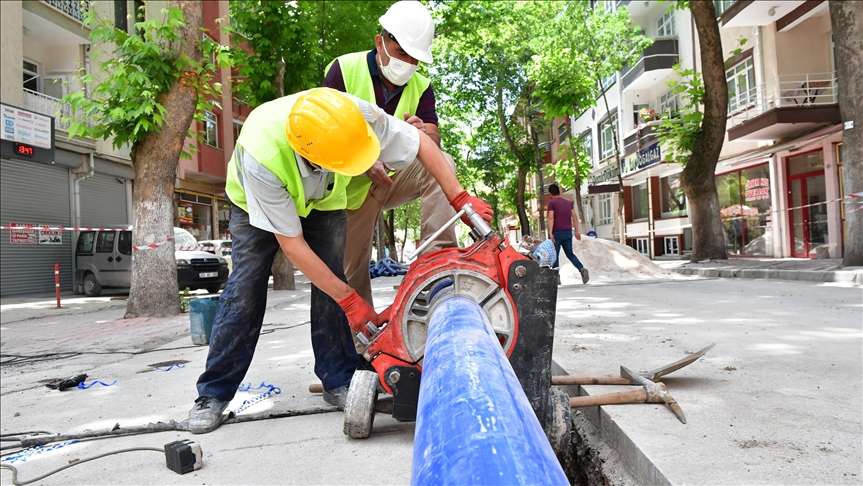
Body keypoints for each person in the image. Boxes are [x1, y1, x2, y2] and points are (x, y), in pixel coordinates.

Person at [186, 87, 492, 434]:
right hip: (255, 200)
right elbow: (294, 247)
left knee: (333, 277)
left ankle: (339, 379)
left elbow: (421, 144)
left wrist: (459, 196)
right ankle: (214, 393)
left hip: (324, 198)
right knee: (246, 287)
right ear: (313, 156)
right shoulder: (263, 154)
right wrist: (352, 302)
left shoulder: (353, 118)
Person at [323, 0, 457, 307]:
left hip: (397, 178)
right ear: (380, 42)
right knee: (351, 275)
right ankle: (362, 347)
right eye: (401, 54)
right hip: (352, 189)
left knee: (442, 163)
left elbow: (433, 138)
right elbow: (325, 133)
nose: (408, 64)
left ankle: (437, 258)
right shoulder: (344, 70)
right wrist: (366, 159)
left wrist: (425, 133)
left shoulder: (421, 86)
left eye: (415, 59)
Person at [547, 184, 589, 284]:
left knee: (555, 255)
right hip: (568, 232)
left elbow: (551, 217)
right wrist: (576, 231)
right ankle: (582, 269)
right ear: (559, 192)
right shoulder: (568, 202)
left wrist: (550, 232)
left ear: (550, 194)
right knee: (570, 254)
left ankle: (556, 278)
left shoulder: (552, 203)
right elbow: (574, 217)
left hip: (557, 232)